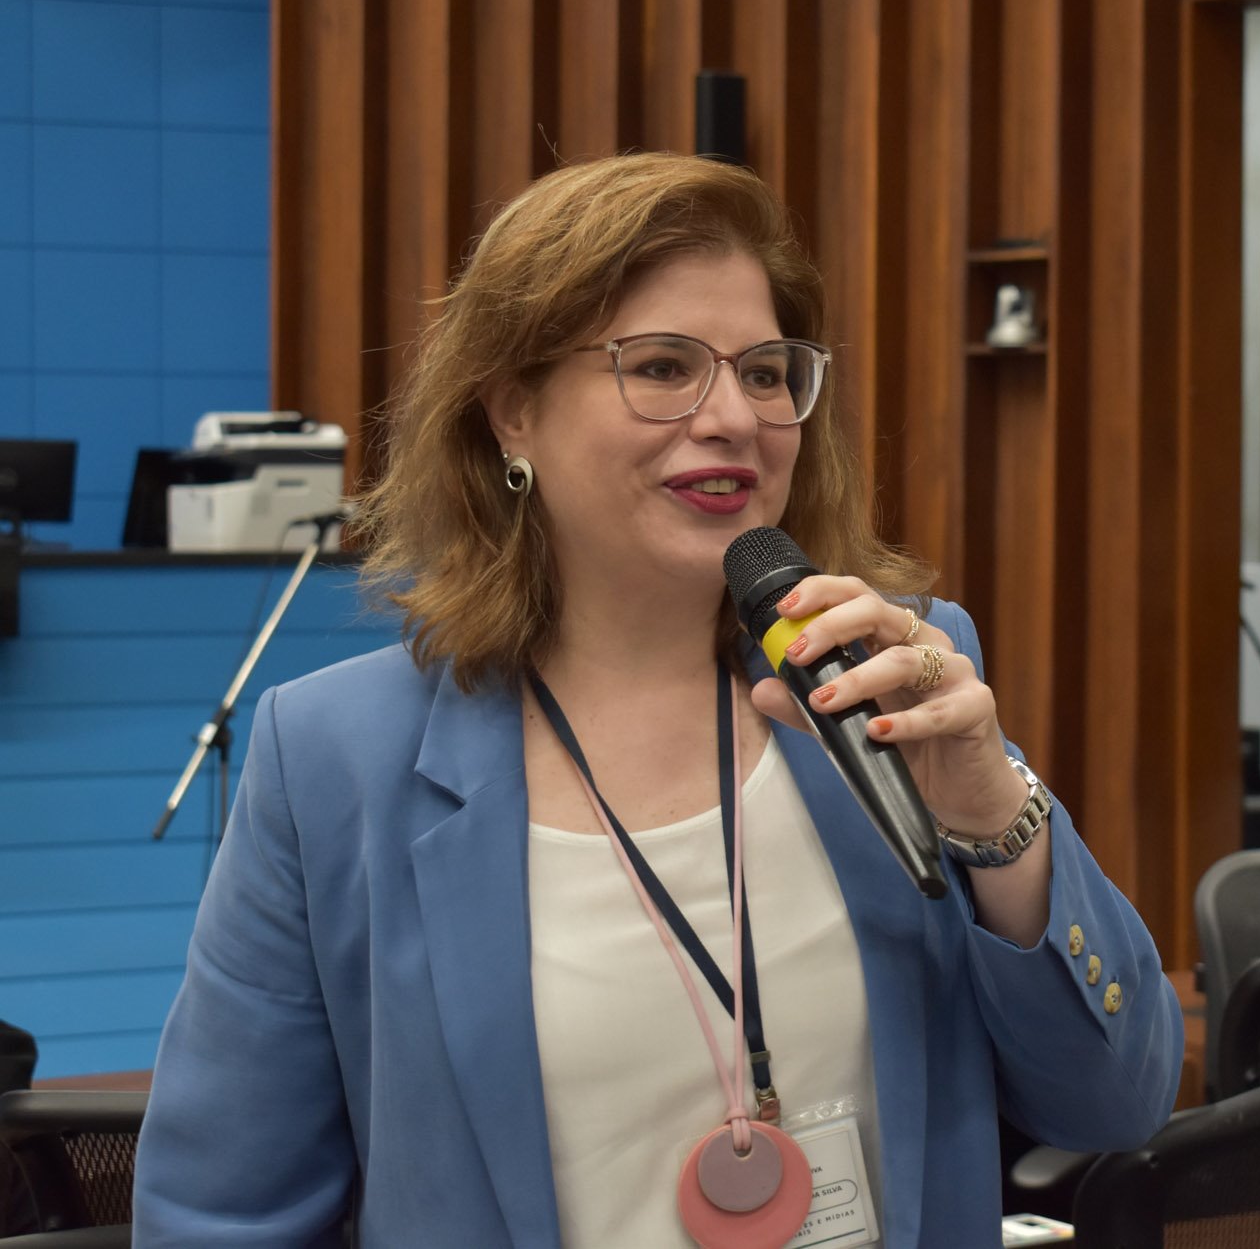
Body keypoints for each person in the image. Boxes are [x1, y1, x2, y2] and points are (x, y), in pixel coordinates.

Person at [131, 153, 1180, 1246]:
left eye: (765, 372)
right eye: (664, 366)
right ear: (512, 412)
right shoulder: (336, 757)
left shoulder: (889, 673)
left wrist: (993, 815)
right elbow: (219, 1216)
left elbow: (1117, 1102)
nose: (733, 416)